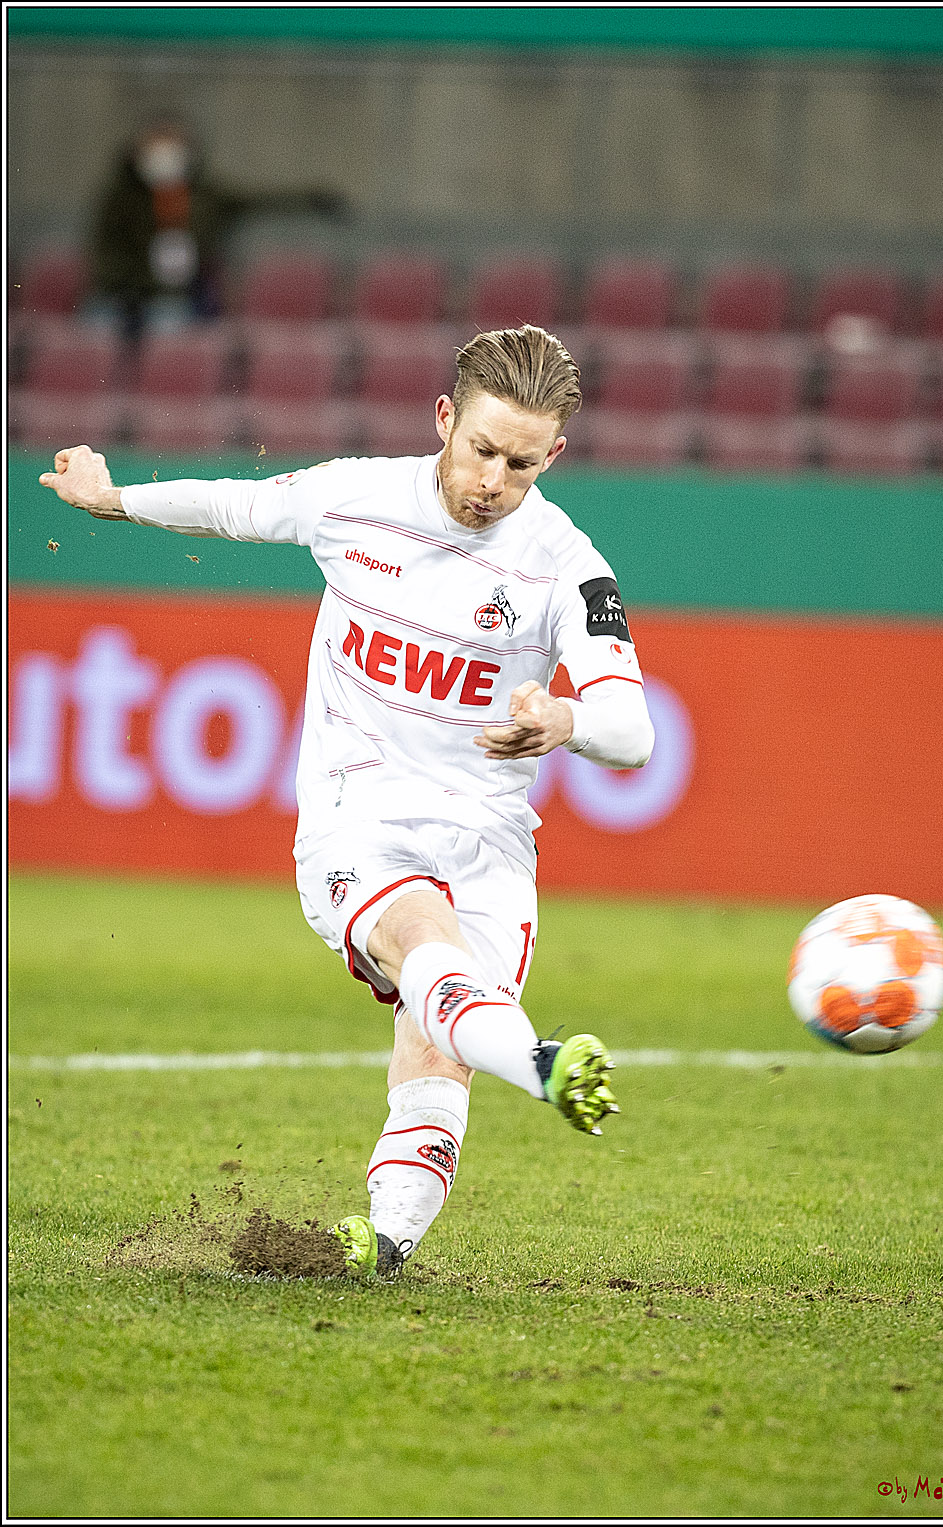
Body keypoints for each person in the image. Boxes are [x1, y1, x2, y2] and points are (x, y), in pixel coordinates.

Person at [39, 324, 655, 1283]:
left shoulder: (568, 566)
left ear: (554, 456)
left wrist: (565, 721)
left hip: (491, 841)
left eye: (522, 463)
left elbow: (634, 729)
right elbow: (236, 506)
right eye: (483, 448)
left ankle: (384, 1243)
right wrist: (114, 499)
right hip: (357, 823)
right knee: (427, 944)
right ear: (445, 417)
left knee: (438, 1042)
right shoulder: (357, 498)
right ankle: (542, 1065)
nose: (494, 478)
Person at [88, 118, 346, 337]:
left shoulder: (206, 196)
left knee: (169, 328)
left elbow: (259, 200)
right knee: (94, 334)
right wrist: (130, 289)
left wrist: (313, 199)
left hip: (174, 298)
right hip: (120, 295)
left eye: (172, 144)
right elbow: (106, 252)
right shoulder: (120, 199)